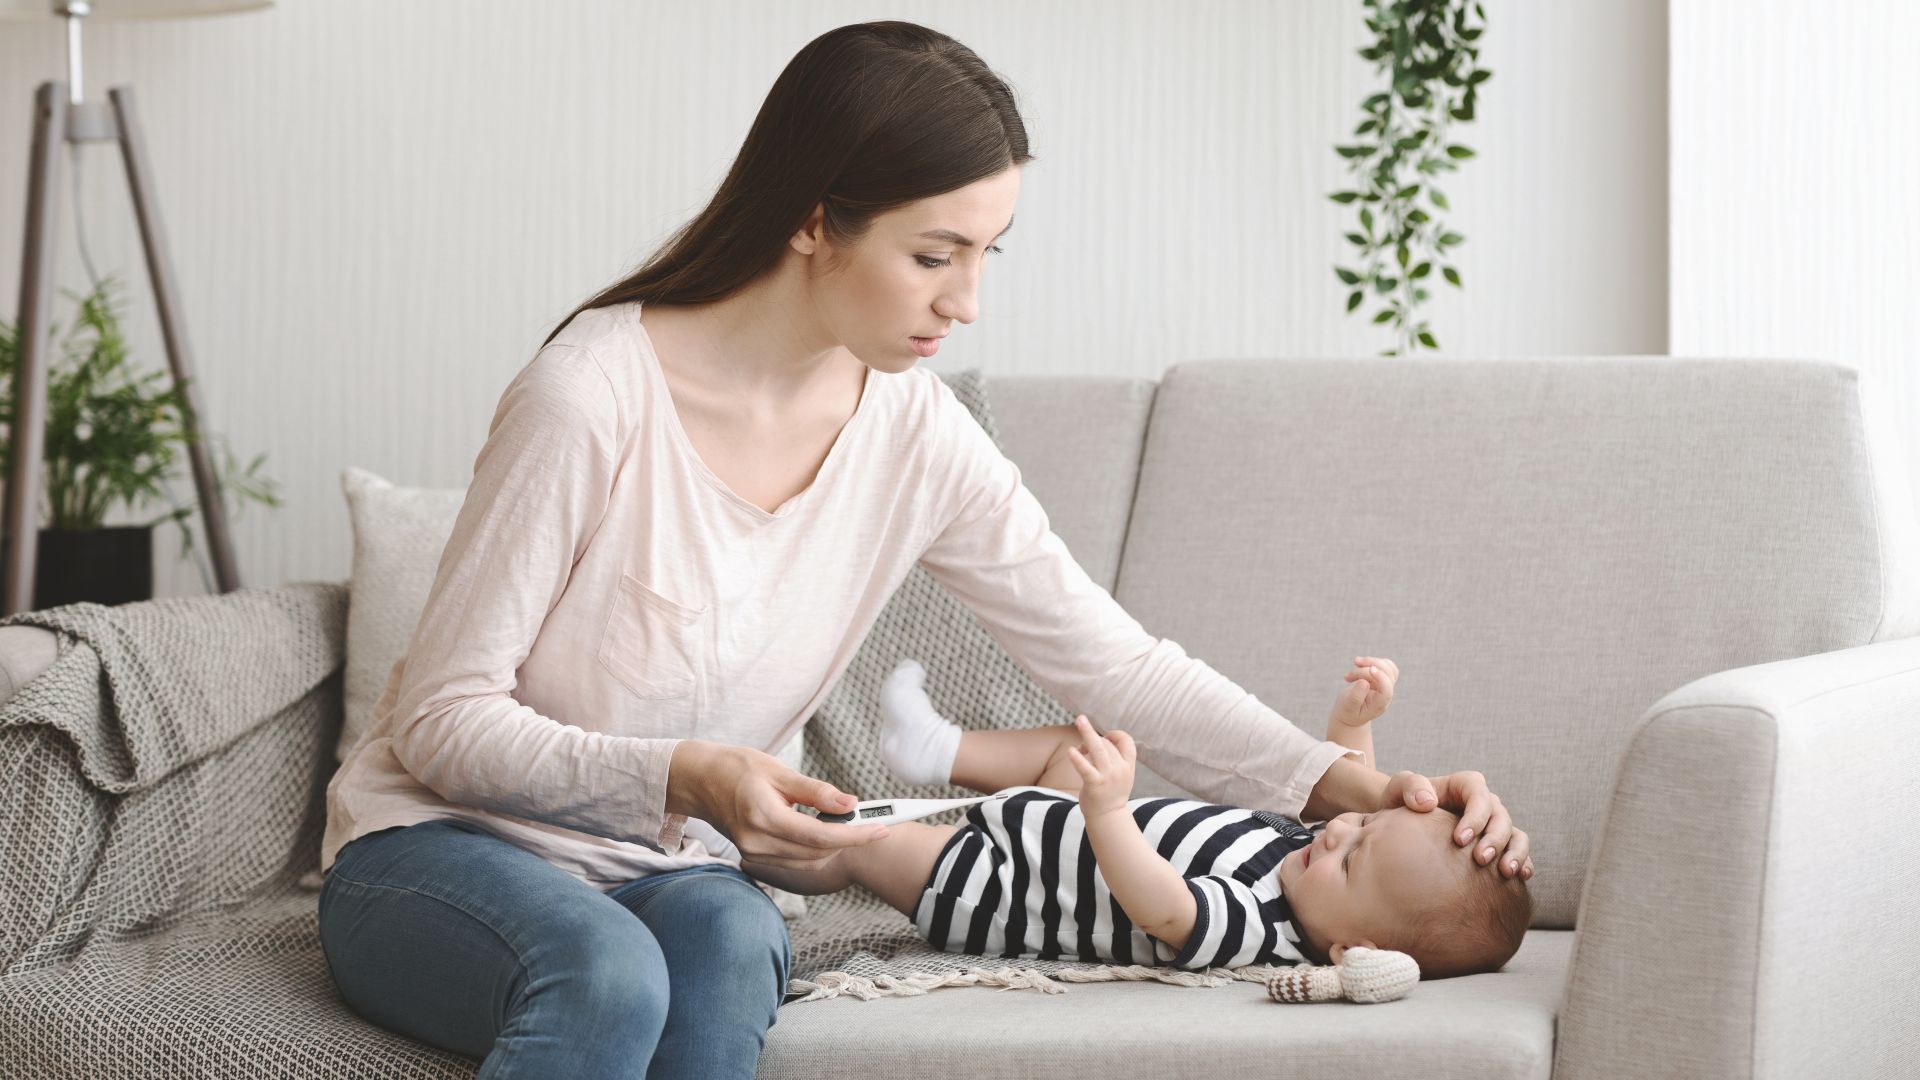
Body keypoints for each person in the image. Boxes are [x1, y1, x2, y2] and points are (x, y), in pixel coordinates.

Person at [314, 19, 1533, 1080]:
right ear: (812, 221)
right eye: (934, 255)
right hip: (441, 851)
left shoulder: (914, 434)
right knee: (612, 979)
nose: (967, 302)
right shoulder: (590, 397)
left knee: (736, 946)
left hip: (662, 868)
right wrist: (687, 774)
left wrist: (1371, 789)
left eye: (987, 254)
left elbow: (1119, 669)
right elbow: (443, 722)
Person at [742, 657, 1532, 980]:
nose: (1337, 833)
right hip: (1055, 822)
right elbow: (1349, 786)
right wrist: (1354, 718)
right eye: (1359, 829)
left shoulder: (1261, 926)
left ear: (1352, 948)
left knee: (863, 846)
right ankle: (936, 748)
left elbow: (1159, 902)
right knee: (1077, 740)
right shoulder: (1315, 861)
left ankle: (748, 857)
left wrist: (1111, 807)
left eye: (1353, 858)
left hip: (1001, 889)